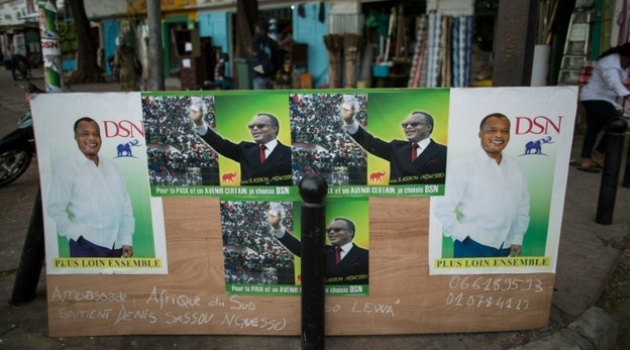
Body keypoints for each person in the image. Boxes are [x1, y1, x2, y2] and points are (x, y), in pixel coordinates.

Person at [433, 113, 530, 258]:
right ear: (480, 134)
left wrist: (517, 238)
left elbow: (523, 204)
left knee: (501, 281)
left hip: (506, 245)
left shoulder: (517, 166)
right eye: (492, 130)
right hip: (472, 245)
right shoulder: (462, 166)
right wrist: (462, 237)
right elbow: (442, 207)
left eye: (504, 131)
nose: (499, 135)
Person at [46, 117, 135, 258]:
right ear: (76, 137)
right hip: (86, 245)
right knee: (88, 281)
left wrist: (126, 239)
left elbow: (125, 204)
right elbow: (54, 208)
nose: (92, 138)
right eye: (85, 134)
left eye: (96, 133)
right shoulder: (65, 167)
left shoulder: (113, 167)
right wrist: (76, 236)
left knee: (118, 280)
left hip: (116, 244)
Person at [190, 99, 292, 186]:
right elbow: (221, 144)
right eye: (251, 127)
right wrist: (199, 123)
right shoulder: (245, 149)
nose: (255, 129)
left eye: (260, 125)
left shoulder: (289, 153)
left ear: (274, 129)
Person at [340, 103, 447, 185]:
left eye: (414, 124)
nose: (408, 127)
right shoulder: (397, 148)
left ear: (428, 127)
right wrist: (350, 122)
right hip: (395, 205)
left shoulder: (444, 152)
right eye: (405, 125)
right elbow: (371, 143)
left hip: (427, 206)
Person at [268, 209, 369, 285]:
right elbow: (298, 247)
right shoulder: (324, 251)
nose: (331, 232)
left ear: (350, 233)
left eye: (337, 229)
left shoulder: (366, 255)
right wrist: (277, 227)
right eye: (328, 230)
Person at [578, 42, 630, 172]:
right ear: (625, 57)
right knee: (617, 124)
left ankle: (586, 158)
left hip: (597, 98)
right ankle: (599, 151)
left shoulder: (618, 63)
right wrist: (627, 96)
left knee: (593, 128)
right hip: (595, 98)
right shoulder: (610, 64)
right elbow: (615, 84)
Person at [250, 19, 283, 90]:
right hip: (271, 76)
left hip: (259, 75)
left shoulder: (256, 42)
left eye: (257, 28)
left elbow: (254, 56)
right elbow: (278, 59)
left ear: (260, 29)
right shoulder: (273, 43)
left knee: (260, 99)